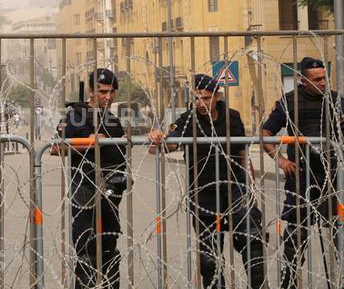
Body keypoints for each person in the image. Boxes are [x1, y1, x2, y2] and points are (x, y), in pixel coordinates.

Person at [148, 74, 266, 289]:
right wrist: (158, 138)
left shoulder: (232, 117)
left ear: (218, 97)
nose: (201, 103)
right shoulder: (187, 119)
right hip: (203, 191)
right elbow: (171, 144)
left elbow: (241, 151)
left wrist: (250, 183)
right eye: (197, 98)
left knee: (252, 239)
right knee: (209, 253)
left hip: (234, 187)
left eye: (207, 98)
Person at [260, 57, 341, 288]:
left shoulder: (335, 101)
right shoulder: (290, 101)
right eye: (317, 79)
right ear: (304, 80)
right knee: (297, 235)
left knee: (338, 232)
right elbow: (266, 132)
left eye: (325, 77)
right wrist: (280, 159)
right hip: (302, 177)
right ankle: (290, 280)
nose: (323, 83)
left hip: (332, 175)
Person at [55, 68, 127, 289]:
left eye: (112, 91)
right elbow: (56, 148)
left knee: (108, 251)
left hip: (111, 193)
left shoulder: (113, 120)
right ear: (91, 90)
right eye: (103, 91)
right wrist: (88, 141)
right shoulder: (76, 116)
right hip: (84, 189)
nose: (108, 96)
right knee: (86, 252)